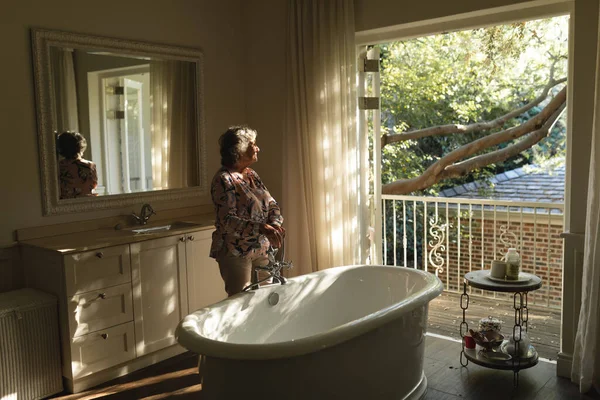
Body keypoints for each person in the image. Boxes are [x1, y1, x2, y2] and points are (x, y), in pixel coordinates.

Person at [210, 125, 285, 297]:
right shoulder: (224, 179)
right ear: (239, 149)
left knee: (267, 299)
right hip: (236, 252)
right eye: (253, 143)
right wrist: (260, 227)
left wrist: (274, 224)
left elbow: (271, 204)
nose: (258, 147)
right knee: (240, 303)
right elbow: (227, 221)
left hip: (261, 248)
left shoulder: (252, 174)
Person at [57, 131, 98, 199]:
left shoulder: (58, 167)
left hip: (64, 205)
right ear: (81, 147)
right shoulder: (90, 166)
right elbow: (93, 185)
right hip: (87, 202)